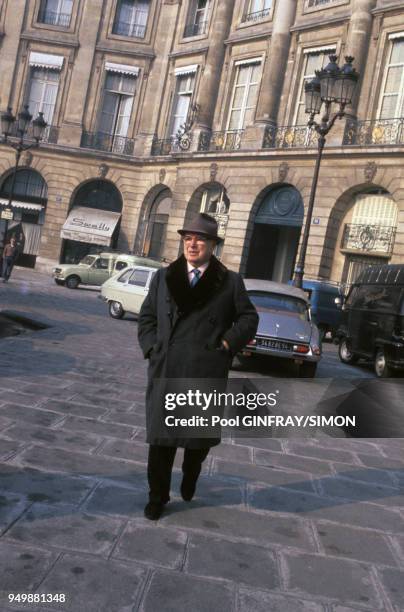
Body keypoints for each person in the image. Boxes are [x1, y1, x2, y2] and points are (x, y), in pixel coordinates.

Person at [138, 213, 258, 520]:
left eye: (200, 239)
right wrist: (153, 347)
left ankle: (191, 474)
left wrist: (228, 344)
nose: (192, 244)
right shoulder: (164, 277)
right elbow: (147, 317)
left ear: (212, 245)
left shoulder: (230, 281)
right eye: (188, 238)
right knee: (161, 442)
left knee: (196, 442)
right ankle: (157, 497)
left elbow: (249, 318)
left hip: (205, 369)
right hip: (167, 367)